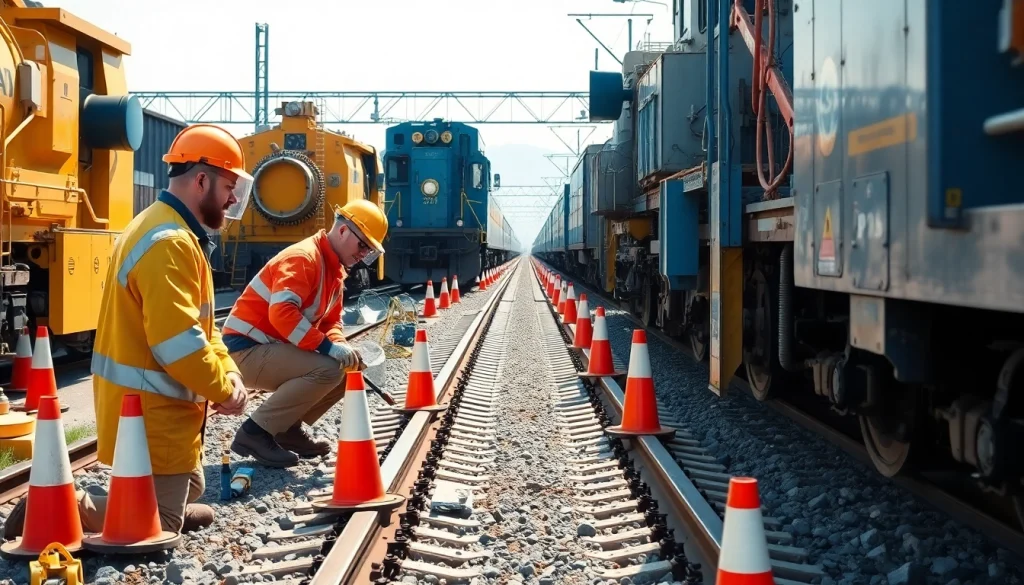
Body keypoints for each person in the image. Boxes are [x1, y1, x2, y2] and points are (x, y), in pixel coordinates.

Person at [3, 124, 255, 540]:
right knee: (164, 524)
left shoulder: (167, 229)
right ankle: (57, 505)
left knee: (195, 487)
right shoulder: (170, 243)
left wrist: (229, 373)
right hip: (149, 411)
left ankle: (142, 502)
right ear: (202, 180)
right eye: (230, 187)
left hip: (154, 408)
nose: (232, 199)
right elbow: (179, 345)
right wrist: (224, 391)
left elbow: (204, 328)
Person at [221, 199, 388, 468]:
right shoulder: (304, 258)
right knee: (329, 369)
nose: (363, 254)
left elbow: (330, 323)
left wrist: (341, 346)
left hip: (266, 348)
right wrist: (328, 349)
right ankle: (255, 433)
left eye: (369, 251)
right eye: (363, 246)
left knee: (346, 369)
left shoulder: (334, 271)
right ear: (344, 231)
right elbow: (282, 313)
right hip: (242, 351)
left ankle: (286, 429)